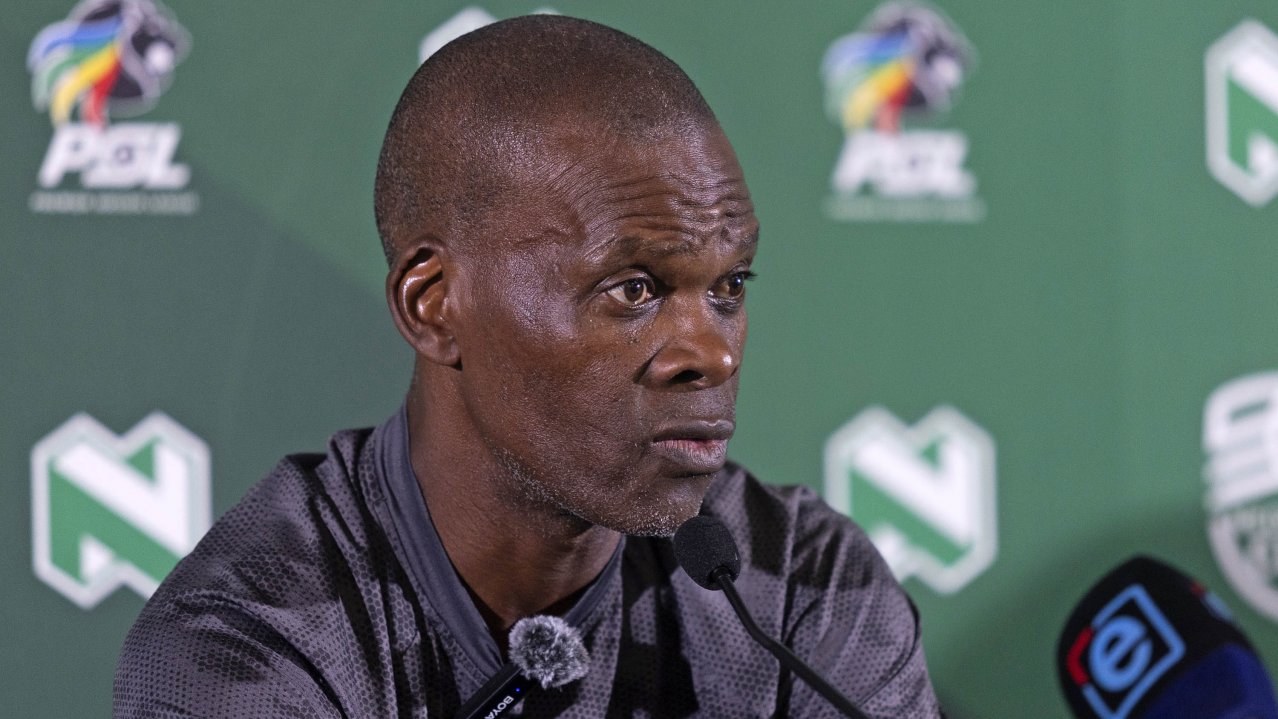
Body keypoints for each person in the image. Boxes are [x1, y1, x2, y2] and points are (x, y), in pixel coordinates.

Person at [115, 14, 941, 718]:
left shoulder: (800, 588)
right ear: (433, 305)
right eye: (635, 287)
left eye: (728, 286)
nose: (714, 351)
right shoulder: (250, 641)